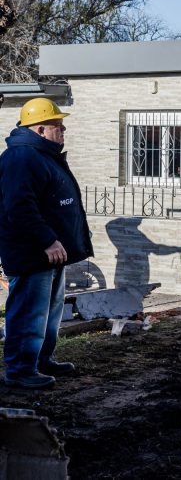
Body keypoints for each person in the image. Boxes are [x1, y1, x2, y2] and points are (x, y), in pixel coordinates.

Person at [0, 98, 92, 388]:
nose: (63, 129)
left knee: (49, 313)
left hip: (51, 254)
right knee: (29, 311)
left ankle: (40, 360)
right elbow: (19, 207)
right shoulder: (21, 158)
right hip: (33, 253)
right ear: (40, 129)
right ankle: (19, 370)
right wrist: (48, 240)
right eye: (57, 124)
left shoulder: (41, 155)